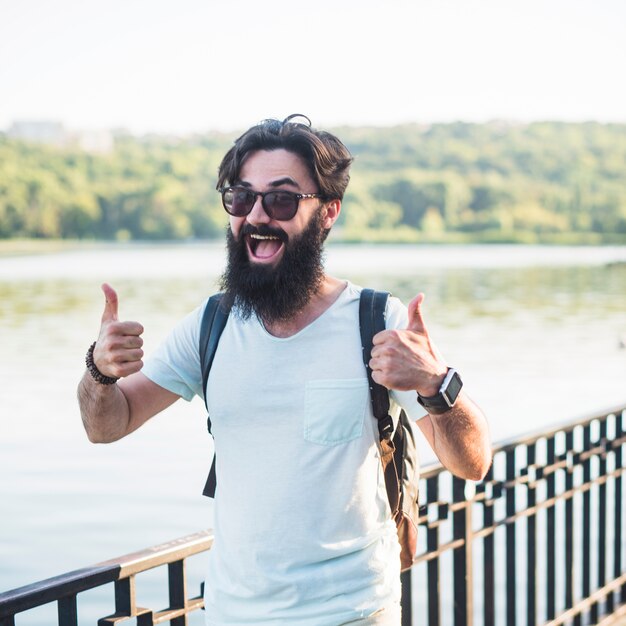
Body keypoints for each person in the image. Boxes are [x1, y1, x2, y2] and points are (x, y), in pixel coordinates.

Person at [78, 114, 492, 626]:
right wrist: (99, 371)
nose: (256, 215)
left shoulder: (376, 320)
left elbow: (472, 464)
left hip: (355, 613)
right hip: (233, 615)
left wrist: (435, 382)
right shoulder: (211, 325)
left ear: (327, 213)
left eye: (280, 199)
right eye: (240, 197)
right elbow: (106, 426)